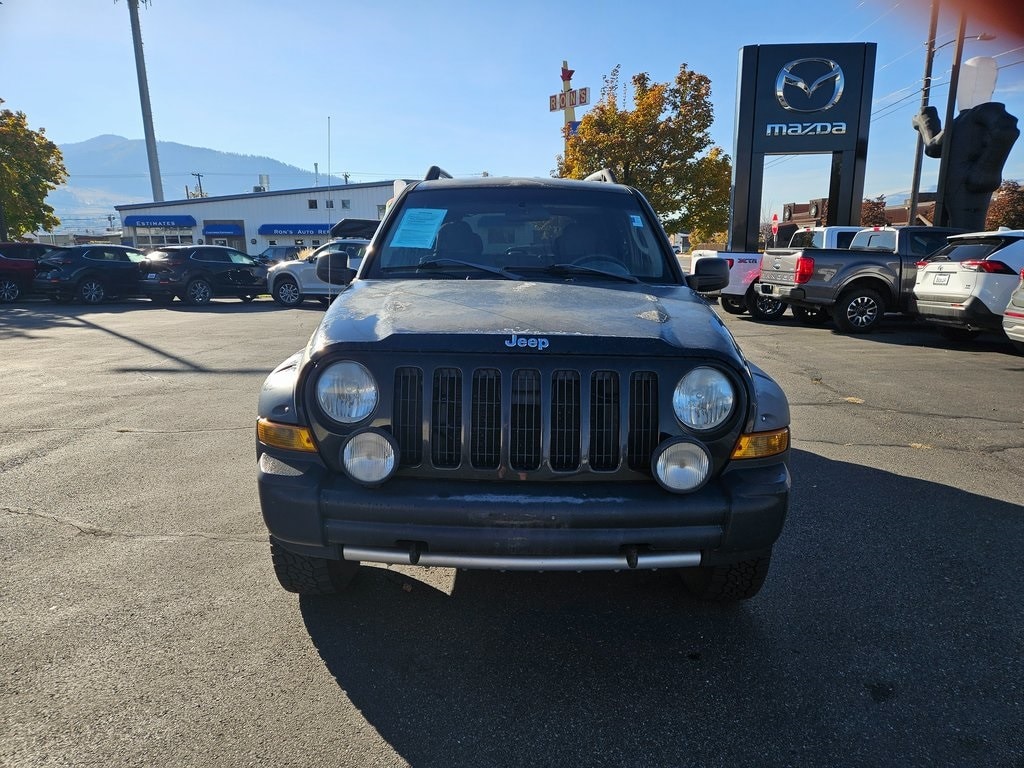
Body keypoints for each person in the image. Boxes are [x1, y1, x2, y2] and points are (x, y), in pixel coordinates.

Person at [913, 56, 1020, 230]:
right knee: (944, 232)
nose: (962, 88)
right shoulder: (960, 120)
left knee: (965, 233)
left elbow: (1006, 130)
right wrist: (926, 122)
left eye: (968, 80)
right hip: (950, 186)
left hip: (970, 186)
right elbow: (934, 148)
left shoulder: (986, 111)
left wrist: (985, 173)